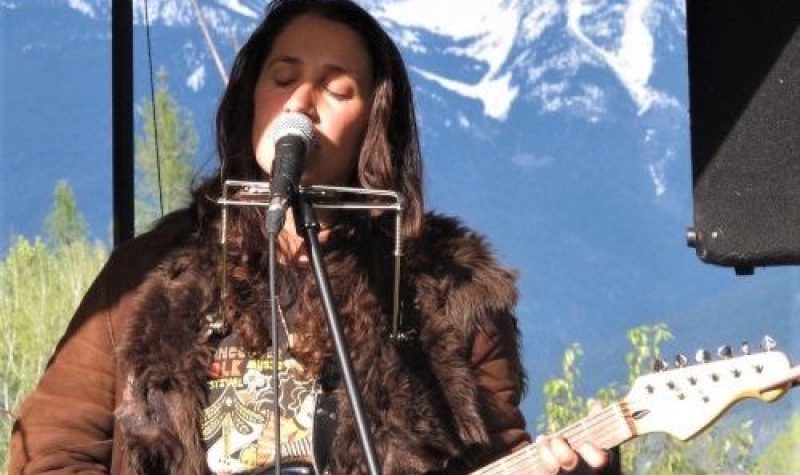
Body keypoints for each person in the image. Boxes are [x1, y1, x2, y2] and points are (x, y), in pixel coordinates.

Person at [9, 1, 619, 473]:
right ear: (252, 98)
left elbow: (501, 454)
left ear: (372, 124)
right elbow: (53, 446)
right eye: (284, 77)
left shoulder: (445, 290)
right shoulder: (151, 273)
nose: (301, 102)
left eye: (335, 87)